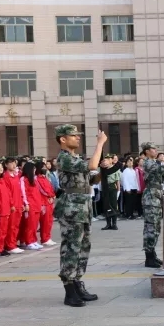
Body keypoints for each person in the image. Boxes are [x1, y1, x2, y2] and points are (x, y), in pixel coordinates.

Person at [55, 124, 106, 307]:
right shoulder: (64, 158)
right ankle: (69, 290)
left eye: (78, 135)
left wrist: (102, 170)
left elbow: (91, 178)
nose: (78, 137)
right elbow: (91, 165)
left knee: (83, 247)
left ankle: (77, 282)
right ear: (63, 139)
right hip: (71, 208)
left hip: (82, 207)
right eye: (73, 135)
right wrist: (100, 144)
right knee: (71, 247)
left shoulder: (75, 158)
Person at [141, 141, 164, 268]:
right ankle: (149, 257)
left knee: (155, 227)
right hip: (151, 197)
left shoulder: (154, 162)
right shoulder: (148, 163)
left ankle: (152, 254)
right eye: (153, 149)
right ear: (147, 151)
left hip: (156, 196)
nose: (156, 151)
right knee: (151, 227)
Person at [20, 162, 43, 250]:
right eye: (33, 169)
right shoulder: (23, 179)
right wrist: (26, 203)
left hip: (37, 204)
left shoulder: (34, 179)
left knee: (35, 225)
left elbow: (37, 192)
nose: (35, 171)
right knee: (29, 225)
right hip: (30, 205)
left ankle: (33, 240)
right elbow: (23, 192)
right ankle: (29, 241)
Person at [35, 161, 57, 246]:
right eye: (43, 167)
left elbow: (50, 188)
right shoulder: (36, 178)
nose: (44, 169)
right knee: (45, 222)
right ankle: (44, 239)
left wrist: (53, 196)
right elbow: (42, 190)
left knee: (49, 221)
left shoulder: (45, 178)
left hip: (49, 202)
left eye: (45, 167)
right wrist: (50, 196)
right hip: (44, 202)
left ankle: (48, 237)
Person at [99, 154, 120, 230]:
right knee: (106, 205)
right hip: (105, 187)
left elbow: (117, 181)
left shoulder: (115, 168)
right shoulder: (103, 169)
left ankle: (114, 224)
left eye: (109, 159)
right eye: (106, 159)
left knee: (113, 205)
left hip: (112, 187)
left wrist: (118, 190)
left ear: (111, 160)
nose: (107, 160)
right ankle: (108, 223)